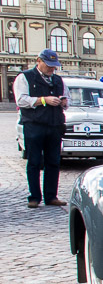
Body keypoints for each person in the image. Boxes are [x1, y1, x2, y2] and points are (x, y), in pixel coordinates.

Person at [13, 49, 69, 208]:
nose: (52, 69)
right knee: (34, 162)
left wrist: (63, 102)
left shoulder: (58, 80)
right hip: (34, 125)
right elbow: (21, 100)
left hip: (54, 125)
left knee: (54, 162)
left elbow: (68, 98)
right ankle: (34, 197)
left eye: (54, 66)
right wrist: (43, 100)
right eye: (48, 65)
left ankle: (51, 196)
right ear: (38, 61)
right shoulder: (24, 78)